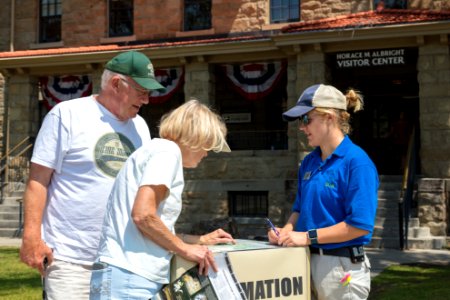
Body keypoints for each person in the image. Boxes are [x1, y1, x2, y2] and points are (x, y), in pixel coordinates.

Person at [19, 50, 165, 299]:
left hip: (119, 260)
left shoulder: (140, 127)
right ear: (117, 84)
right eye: (142, 92)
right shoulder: (67, 115)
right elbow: (38, 180)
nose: (147, 100)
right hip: (69, 260)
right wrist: (31, 237)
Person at [89, 99, 235, 299]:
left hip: (128, 274)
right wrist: (186, 250)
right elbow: (143, 216)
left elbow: (155, 226)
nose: (207, 153)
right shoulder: (168, 152)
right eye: (207, 144)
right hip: (130, 276)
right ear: (196, 136)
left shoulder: (158, 150)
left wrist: (199, 240)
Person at [269, 84, 379, 300]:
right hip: (304, 262)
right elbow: (299, 208)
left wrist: (306, 237)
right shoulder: (309, 162)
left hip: (341, 268)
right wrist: (286, 231)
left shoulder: (357, 163)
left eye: (306, 119)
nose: (302, 127)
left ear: (329, 117)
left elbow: (359, 225)